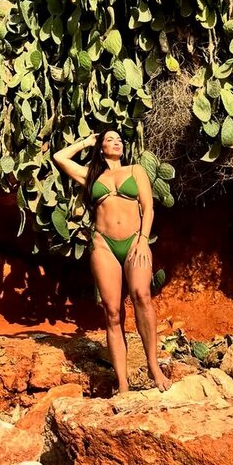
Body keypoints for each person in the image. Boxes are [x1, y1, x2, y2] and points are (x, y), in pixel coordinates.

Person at [52, 129, 172, 394]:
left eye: (119, 140)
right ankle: (122, 383)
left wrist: (143, 239)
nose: (117, 143)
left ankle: (153, 367)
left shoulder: (136, 170)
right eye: (110, 140)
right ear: (101, 148)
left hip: (135, 241)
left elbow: (148, 208)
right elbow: (60, 157)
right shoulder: (92, 176)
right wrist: (86, 142)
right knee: (112, 312)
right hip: (103, 245)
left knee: (142, 295)